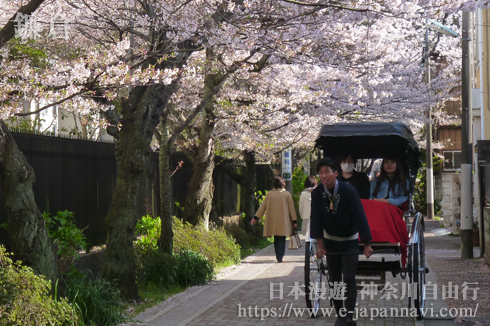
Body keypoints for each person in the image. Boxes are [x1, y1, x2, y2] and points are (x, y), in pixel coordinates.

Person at [310, 157, 373, 326]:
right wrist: (320, 245)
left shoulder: (348, 190)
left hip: (350, 240)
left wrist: (366, 243)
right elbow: (315, 220)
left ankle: (349, 316)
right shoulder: (317, 193)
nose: (323, 176)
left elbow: (360, 215)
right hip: (331, 241)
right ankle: (340, 315)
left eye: (327, 172)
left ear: (336, 173)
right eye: (320, 172)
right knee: (334, 279)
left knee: (349, 278)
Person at [251, 176, 297, 263]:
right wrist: (294, 221)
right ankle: (280, 257)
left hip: (273, 220)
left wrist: (255, 217)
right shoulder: (287, 194)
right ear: (283, 184)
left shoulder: (270, 194)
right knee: (282, 238)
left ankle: (278, 256)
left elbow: (263, 207)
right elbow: (292, 209)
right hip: (283, 220)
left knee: (276, 237)